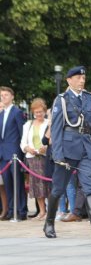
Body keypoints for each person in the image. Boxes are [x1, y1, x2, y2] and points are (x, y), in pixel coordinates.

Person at [43, 66, 91, 238]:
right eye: (78, 78)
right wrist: (58, 154)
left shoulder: (89, 98)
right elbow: (56, 129)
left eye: (83, 78)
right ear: (69, 80)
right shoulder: (61, 100)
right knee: (58, 189)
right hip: (67, 150)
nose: (82, 80)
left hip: (86, 149)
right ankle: (49, 223)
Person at [21, 98, 50, 220]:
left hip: (46, 157)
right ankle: (42, 211)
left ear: (44, 111)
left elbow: (52, 140)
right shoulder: (28, 124)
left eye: (41, 111)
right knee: (37, 186)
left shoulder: (49, 123)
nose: (39, 114)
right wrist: (28, 148)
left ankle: (51, 210)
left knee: (47, 184)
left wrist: (46, 148)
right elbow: (23, 142)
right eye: (36, 112)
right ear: (33, 112)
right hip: (33, 158)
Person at [0, 86, 27, 220]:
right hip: (3, 155)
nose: (3, 97)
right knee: (7, 184)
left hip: (14, 153)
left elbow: (22, 132)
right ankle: (11, 210)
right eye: (1, 95)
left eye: (5, 95)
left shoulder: (17, 112)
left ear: (12, 97)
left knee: (17, 183)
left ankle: (21, 211)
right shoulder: (1, 114)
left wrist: (22, 152)